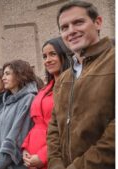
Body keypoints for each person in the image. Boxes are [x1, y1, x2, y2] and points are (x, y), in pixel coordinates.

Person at [47, 1, 115, 169]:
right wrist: (56, 164)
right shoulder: (63, 78)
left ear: (98, 22)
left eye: (78, 22)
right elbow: (54, 127)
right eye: (64, 27)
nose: (71, 31)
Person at [21, 37, 70, 169]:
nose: (47, 60)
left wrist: (43, 156)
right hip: (32, 156)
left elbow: (68, 130)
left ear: (64, 55)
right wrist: (26, 148)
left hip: (55, 157)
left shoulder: (72, 86)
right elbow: (37, 125)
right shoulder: (44, 89)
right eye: (44, 56)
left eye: (53, 54)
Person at [0, 59, 37, 169]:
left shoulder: (29, 99)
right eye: (4, 74)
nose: (3, 78)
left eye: (7, 74)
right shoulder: (8, 101)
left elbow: (18, 134)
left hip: (16, 165)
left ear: (20, 74)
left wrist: (1, 162)